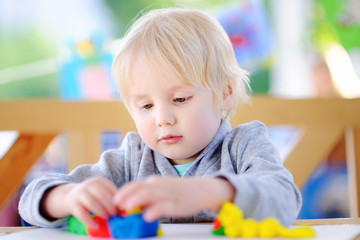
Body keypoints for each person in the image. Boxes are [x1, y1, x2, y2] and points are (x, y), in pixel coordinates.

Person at [19, 8, 301, 228]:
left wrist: (209, 192)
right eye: (145, 106)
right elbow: (31, 198)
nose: (162, 118)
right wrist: (66, 198)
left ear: (225, 92)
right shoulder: (131, 160)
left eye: (180, 99)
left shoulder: (243, 145)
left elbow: (285, 198)